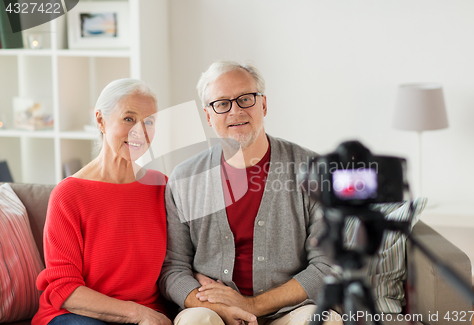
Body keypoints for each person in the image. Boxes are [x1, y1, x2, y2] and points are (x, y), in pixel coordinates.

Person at [159, 61, 342, 325]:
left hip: (290, 312)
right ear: (208, 116)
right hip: (213, 311)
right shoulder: (185, 178)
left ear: (263, 105)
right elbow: (173, 268)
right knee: (194, 321)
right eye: (221, 103)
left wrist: (251, 305)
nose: (235, 111)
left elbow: (326, 266)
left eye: (245, 99)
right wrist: (221, 308)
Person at [33, 79, 172, 325]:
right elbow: (63, 288)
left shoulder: (162, 186)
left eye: (149, 122)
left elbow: (181, 259)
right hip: (77, 315)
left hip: (150, 313)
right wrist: (136, 313)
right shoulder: (69, 194)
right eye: (129, 119)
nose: (139, 131)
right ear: (100, 121)